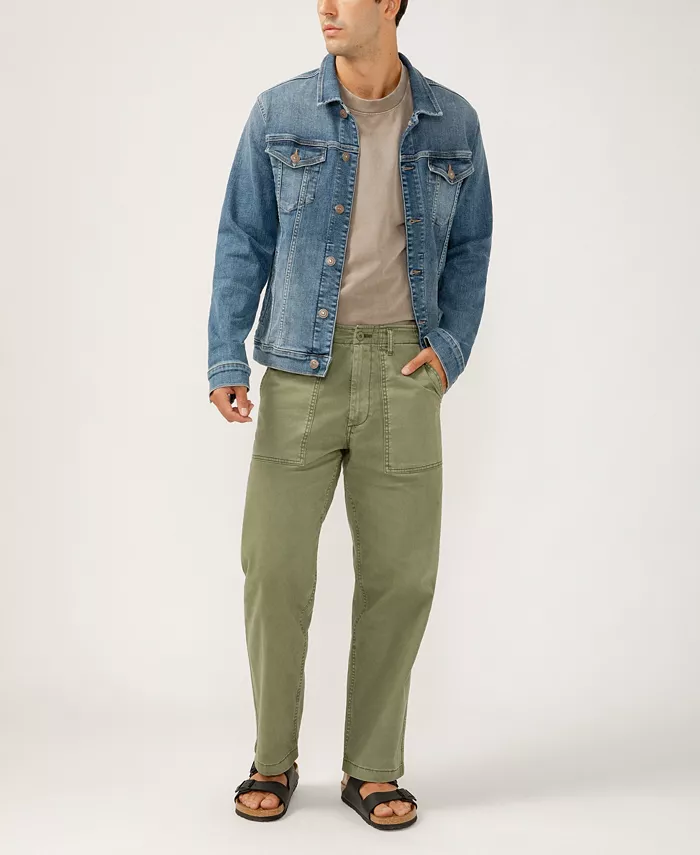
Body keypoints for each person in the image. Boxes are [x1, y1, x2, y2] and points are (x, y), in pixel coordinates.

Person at [208, 0, 493, 831]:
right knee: (273, 567)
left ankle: (372, 767)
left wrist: (448, 349)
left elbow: (473, 247)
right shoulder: (280, 111)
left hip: (405, 370)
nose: (326, 7)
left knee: (401, 576)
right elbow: (242, 236)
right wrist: (227, 355)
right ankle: (272, 755)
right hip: (300, 367)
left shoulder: (453, 121)